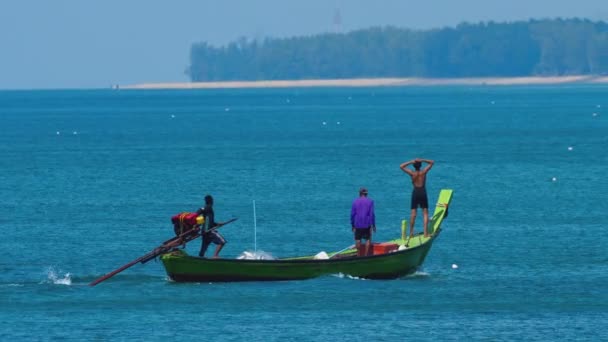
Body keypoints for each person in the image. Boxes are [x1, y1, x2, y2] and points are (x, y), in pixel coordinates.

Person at [400, 158, 434, 238]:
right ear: (420, 165)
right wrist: (422, 160)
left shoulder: (412, 173)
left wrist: (410, 161)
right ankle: (426, 233)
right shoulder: (423, 172)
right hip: (422, 192)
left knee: (413, 214)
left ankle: (411, 233)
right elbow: (432, 162)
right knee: (425, 213)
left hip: (415, 192)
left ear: (414, 166)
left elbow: (401, 166)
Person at [350, 187, 376, 256]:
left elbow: (352, 214)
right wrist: (373, 225)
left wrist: (352, 225)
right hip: (367, 224)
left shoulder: (355, 202)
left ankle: (358, 255)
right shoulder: (370, 201)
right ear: (366, 194)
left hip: (357, 224)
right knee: (368, 239)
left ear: (359, 194)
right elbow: (372, 214)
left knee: (358, 239)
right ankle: (366, 255)